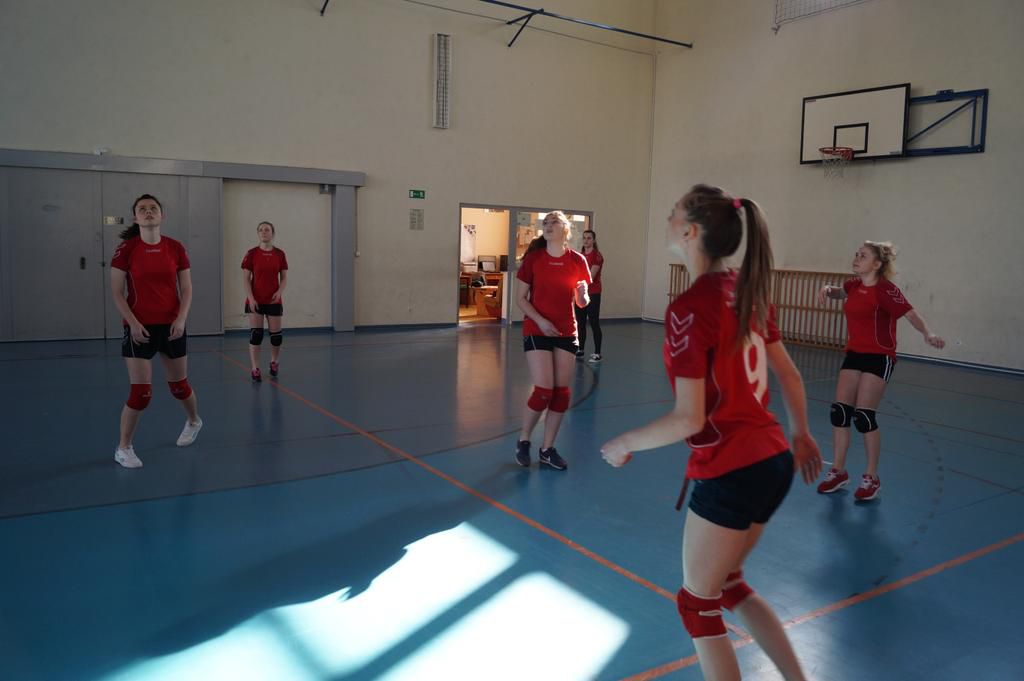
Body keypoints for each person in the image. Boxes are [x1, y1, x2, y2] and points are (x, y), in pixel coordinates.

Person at [601, 185, 822, 681]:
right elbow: (789, 375)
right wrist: (801, 434)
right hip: (773, 461)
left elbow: (689, 419)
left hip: (732, 469)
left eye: (673, 212)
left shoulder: (690, 308)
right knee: (730, 585)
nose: (667, 218)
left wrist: (624, 443)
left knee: (697, 607)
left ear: (690, 231)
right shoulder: (746, 290)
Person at [815, 241, 944, 500]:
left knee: (864, 417)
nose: (856, 258)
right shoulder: (854, 286)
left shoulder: (886, 290)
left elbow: (910, 314)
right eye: (856, 254)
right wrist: (828, 289)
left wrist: (928, 333)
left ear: (876, 264)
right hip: (854, 354)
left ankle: (871, 477)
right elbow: (841, 293)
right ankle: (838, 471)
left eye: (863, 256)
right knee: (840, 412)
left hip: (879, 356)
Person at [110, 194, 202, 468]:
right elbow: (117, 292)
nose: (148, 212)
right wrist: (133, 323)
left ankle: (194, 421)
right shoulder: (126, 249)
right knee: (141, 394)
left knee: (179, 387)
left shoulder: (176, 248)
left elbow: (187, 288)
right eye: (142, 209)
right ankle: (123, 448)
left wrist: (182, 319)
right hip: (139, 328)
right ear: (135, 217)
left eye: (153, 208)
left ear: (162, 216)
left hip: (172, 326)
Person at [514, 211, 591, 471]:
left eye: (554, 222)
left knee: (561, 393)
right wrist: (541, 321)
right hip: (536, 328)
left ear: (565, 230)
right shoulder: (534, 259)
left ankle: (547, 449)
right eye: (545, 223)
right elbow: (521, 299)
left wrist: (583, 295)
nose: (548, 226)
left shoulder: (577, 260)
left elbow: (582, 302)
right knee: (544, 390)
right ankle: (524, 439)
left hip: (566, 330)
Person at [242, 221, 289, 382]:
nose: (263, 232)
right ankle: (255, 368)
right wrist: (251, 298)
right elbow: (246, 279)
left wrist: (279, 292)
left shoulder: (280, 254)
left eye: (267, 230)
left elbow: (284, 278)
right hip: (255, 300)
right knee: (256, 335)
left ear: (272, 233)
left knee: (276, 337)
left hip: (273, 300)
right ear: (258, 233)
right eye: (261, 230)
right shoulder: (251, 253)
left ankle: (274, 362)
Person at [575, 229, 605, 363]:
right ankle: (580, 349)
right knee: (580, 322)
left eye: (589, 238)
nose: (586, 240)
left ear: (593, 240)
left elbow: (590, 277)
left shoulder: (597, 256)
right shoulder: (580, 256)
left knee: (593, 322)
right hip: (580, 293)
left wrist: (577, 281)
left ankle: (597, 353)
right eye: (584, 238)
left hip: (593, 293)